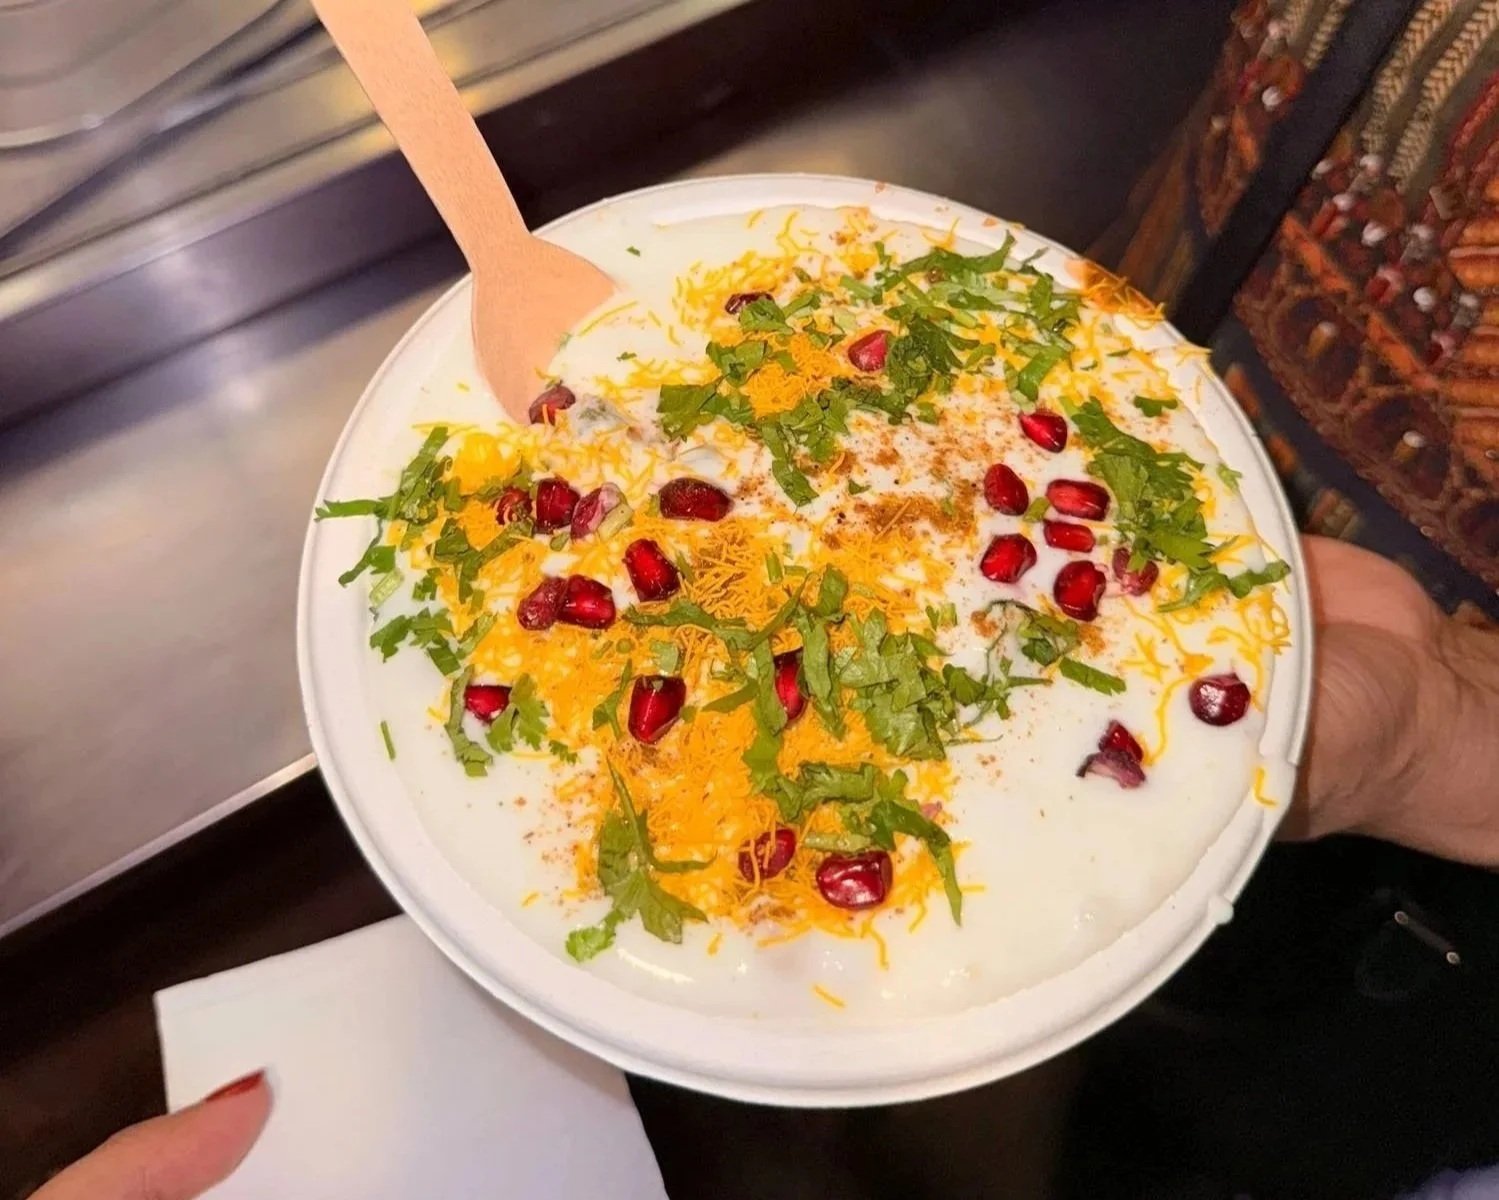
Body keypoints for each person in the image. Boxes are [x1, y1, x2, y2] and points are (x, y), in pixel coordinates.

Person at [33, 1, 1499, 1196]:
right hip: (1139, 372)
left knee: (1132, 1118)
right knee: (936, 1089)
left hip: (1392, 921)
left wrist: (1436, 731)